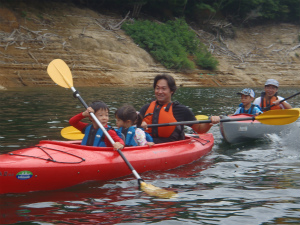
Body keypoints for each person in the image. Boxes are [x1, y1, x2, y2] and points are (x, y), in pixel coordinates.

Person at [139, 74, 220, 144]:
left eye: (164, 89)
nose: (160, 92)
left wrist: (210, 121)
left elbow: (199, 129)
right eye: (157, 88)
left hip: (172, 146)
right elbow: (130, 126)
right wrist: (139, 124)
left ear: (172, 91)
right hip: (148, 145)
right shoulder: (146, 108)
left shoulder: (181, 110)